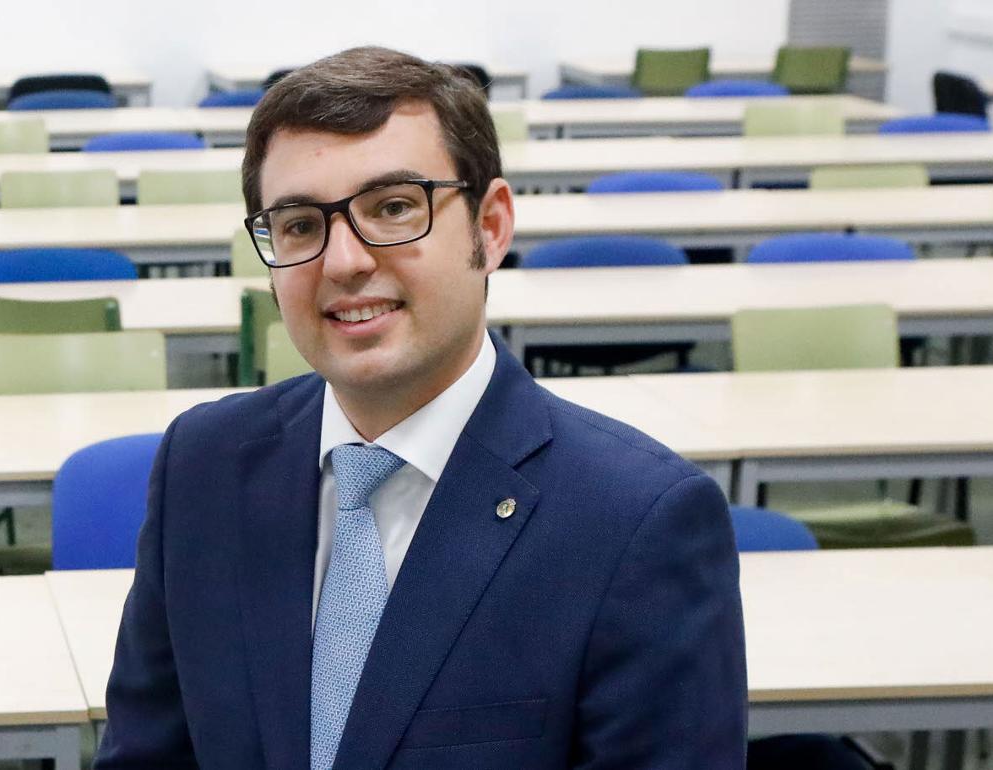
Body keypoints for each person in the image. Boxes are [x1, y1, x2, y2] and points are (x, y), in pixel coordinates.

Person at [96, 46, 746, 770]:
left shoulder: (635, 521)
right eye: (301, 224)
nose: (344, 261)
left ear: (489, 228)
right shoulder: (204, 464)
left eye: (394, 208)